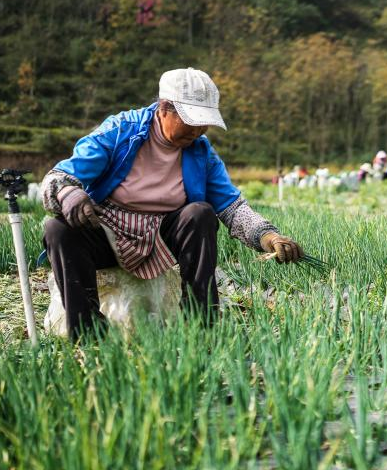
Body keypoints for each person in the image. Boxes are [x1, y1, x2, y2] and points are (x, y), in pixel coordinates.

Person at [40, 67, 304, 340]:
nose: (199, 129)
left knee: (200, 214)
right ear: (164, 108)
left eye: (204, 122)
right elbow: (58, 177)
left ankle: (201, 325)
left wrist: (267, 236)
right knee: (57, 230)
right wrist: (68, 193)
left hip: (160, 239)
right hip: (108, 232)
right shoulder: (120, 132)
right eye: (192, 120)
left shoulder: (200, 152)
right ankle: (88, 334)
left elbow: (231, 206)